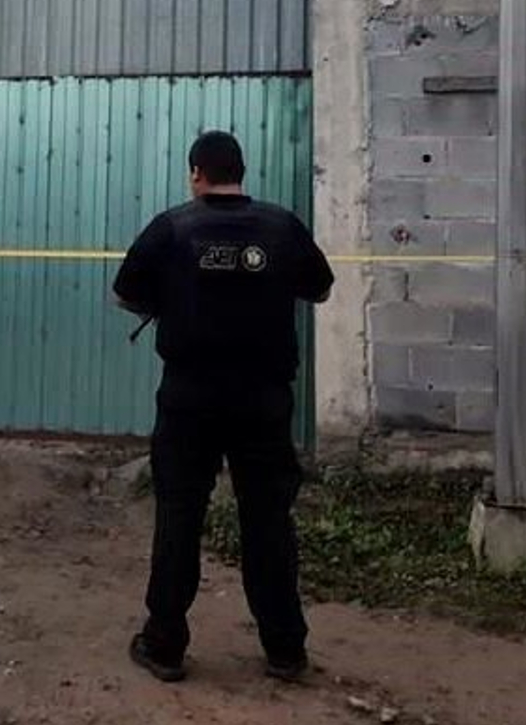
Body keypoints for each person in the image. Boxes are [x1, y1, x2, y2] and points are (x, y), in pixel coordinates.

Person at [113, 131, 334, 683]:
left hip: (190, 396)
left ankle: (164, 645)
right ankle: (285, 649)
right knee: (268, 520)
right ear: (241, 171)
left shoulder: (171, 227)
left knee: (179, 517)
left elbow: (125, 294)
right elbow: (321, 289)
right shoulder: (281, 226)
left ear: (196, 173)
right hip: (263, 398)